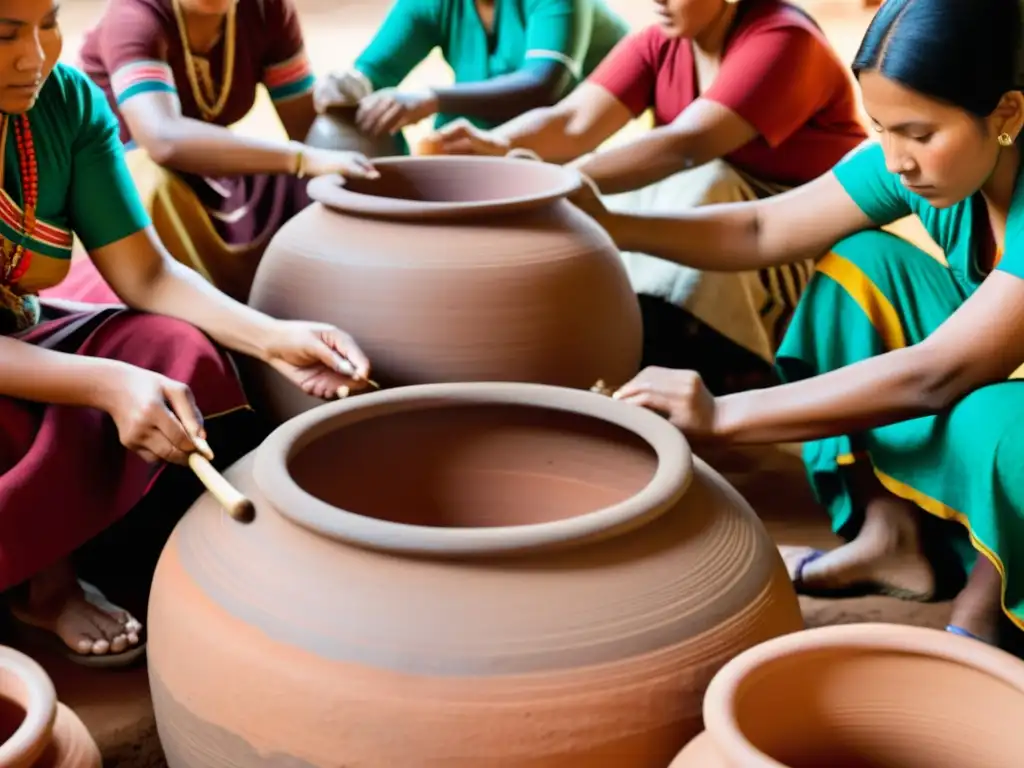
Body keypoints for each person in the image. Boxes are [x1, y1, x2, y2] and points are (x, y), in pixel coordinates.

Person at [565, 0, 1024, 648]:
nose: (895, 160)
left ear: (1007, 114)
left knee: (998, 424)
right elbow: (763, 228)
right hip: (983, 377)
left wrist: (724, 416)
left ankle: (987, 605)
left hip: (995, 409)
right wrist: (616, 224)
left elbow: (939, 373)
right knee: (855, 270)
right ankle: (889, 537)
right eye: (881, 128)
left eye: (918, 135)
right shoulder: (935, 165)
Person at [0, 0, 375, 667]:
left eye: (49, 22)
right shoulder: (134, 22)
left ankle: (133, 555)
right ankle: (42, 583)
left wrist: (272, 338)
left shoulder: (65, 103)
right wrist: (106, 383)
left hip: (23, 332)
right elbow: (166, 141)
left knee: (180, 353)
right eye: (6, 34)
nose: (36, 55)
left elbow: (145, 273)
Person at [423, 0, 867, 393]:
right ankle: (636, 345)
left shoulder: (783, 39)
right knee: (621, 181)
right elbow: (573, 121)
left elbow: (686, 146)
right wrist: (495, 149)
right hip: (727, 230)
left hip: (805, 240)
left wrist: (547, 184)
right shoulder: (663, 40)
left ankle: (706, 361)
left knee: (693, 182)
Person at [47, 0, 378, 305]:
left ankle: (298, 303)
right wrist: (303, 158)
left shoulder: (265, 10)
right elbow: (163, 139)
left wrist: (343, 109)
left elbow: (309, 136)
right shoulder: (136, 16)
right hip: (122, 199)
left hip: (209, 177)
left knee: (314, 187)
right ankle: (187, 307)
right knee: (148, 175)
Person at [313, 0, 630, 155]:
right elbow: (372, 76)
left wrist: (430, 99)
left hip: (558, 153)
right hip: (475, 149)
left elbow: (542, 84)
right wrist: (348, 87)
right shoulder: (433, 4)